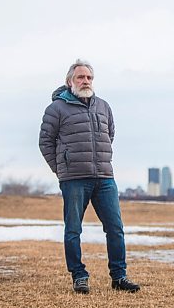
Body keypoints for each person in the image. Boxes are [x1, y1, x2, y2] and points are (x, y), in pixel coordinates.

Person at [39, 59, 140, 294]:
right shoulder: (56, 109)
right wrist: (61, 168)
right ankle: (79, 276)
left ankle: (119, 276)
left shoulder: (103, 106)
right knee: (73, 229)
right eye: (80, 77)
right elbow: (45, 142)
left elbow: (110, 134)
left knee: (115, 228)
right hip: (74, 179)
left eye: (89, 78)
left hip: (105, 177)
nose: (85, 81)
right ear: (69, 81)